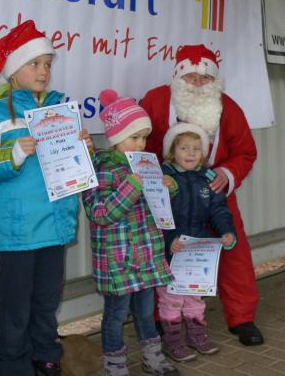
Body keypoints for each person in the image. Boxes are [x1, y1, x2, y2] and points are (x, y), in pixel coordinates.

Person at [0, 20, 91, 376]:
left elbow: (73, 167)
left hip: (55, 227)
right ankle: (13, 365)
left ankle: (45, 356)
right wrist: (12, 154)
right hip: (16, 234)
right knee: (15, 311)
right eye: (35, 63)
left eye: (47, 63)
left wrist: (84, 149)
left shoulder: (61, 108)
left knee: (46, 302)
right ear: (13, 69)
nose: (44, 71)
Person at [139, 44, 262, 346]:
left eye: (204, 78)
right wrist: (155, 181)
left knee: (233, 250)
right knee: (160, 251)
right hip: (169, 196)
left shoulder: (228, 108)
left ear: (214, 81)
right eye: (191, 76)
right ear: (178, 77)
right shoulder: (155, 101)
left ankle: (242, 317)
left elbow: (245, 151)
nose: (197, 82)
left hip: (214, 190)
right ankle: (159, 317)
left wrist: (227, 174)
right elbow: (141, 145)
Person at [83, 89, 178, 376]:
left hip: (146, 254)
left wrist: (168, 188)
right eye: (134, 137)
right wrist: (132, 186)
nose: (141, 143)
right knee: (115, 315)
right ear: (116, 136)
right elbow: (100, 213)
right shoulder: (101, 169)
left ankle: (152, 358)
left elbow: (157, 207)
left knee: (146, 311)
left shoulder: (145, 164)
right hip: (119, 260)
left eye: (144, 137)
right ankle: (115, 365)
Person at [157, 123, 237, 362]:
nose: (191, 153)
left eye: (196, 148)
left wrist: (227, 232)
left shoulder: (208, 179)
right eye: (184, 148)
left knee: (195, 296)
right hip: (171, 251)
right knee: (171, 299)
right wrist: (170, 239)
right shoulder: (163, 179)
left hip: (197, 252)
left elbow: (219, 210)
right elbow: (157, 214)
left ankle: (196, 335)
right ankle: (172, 341)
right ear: (172, 151)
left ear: (203, 153)